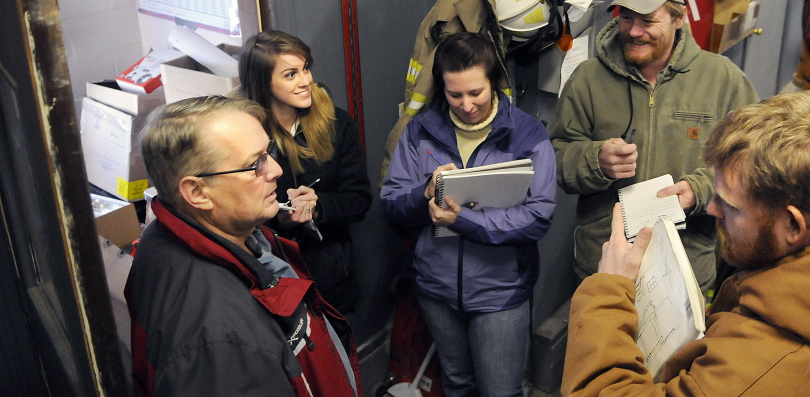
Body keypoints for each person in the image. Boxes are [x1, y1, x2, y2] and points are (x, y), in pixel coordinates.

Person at [562, 90, 810, 397]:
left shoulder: (758, 369)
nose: (714, 209)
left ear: (792, 225)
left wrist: (606, 293)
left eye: (732, 205)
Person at [127, 96, 362, 397]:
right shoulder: (217, 342)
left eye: (269, 152)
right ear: (197, 192)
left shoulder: (187, 231)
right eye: (255, 164)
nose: (275, 170)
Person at [549, 0, 758, 293]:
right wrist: (595, 160)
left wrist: (699, 190)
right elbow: (555, 159)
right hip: (605, 267)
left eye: (648, 21)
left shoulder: (724, 80)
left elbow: (752, 164)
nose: (633, 31)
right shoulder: (588, 79)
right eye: (626, 18)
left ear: (679, 19)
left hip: (684, 267)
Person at [380, 32, 556, 397]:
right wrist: (424, 191)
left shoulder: (527, 133)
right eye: (454, 94)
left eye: (476, 92)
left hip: (500, 291)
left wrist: (463, 221)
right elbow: (392, 203)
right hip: (436, 287)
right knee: (457, 384)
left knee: (501, 391)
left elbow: (538, 216)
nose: (466, 104)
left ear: (493, 81)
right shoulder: (420, 130)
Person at [238, 30, 371, 313]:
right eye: (290, 74)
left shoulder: (335, 123)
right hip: (271, 280)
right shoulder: (244, 137)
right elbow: (235, 211)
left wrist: (319, 206)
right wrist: (280, 219)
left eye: (306, 69)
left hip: (330, 273)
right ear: (263, 82)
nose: (306, 81)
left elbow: (359, 198)